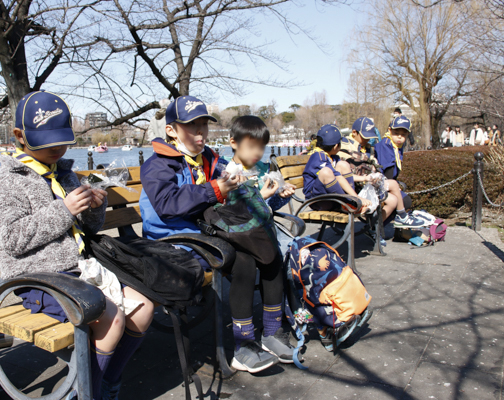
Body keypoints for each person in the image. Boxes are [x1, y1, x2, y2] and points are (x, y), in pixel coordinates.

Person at [0, 90, 154, 400]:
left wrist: (94, 206)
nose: (57, 148)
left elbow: (88, 229)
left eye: (62, 140)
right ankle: (88, 393)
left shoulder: (66, 174)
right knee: (110, 317)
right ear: (20, 136)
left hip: (81, 270)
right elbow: (10, 242)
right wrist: (64, 210)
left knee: (143, 308)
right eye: (47, 142)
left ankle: (104, 386)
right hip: (37, 278)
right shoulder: (6, 182)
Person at [139, 96, 296, 374]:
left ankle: (272, 332)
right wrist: (215, 189)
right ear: (172, 130)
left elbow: (235, 182)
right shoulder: (158, 164)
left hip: (207, 231)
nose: (201, 133)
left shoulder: (209, 158)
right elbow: (167, 204)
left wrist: (265, 191)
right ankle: (243, 346)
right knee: (243, 260)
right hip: (174, 239)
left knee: (268, 251)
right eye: (192, 126)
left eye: (204, 126)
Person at [224, 115, 297, 211]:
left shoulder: (262, 171)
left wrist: (280, 196)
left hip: (263, 223)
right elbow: (228, 211)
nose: (258, 152)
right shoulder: (223, 170)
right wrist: (260, 197)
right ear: (234, 143)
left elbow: (270, 206)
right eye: (251, 146)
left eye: (262, 147)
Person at [302, 124, 372, 211]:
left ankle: (349, 203)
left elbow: (342, 176)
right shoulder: (318, 157)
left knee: (343, 164)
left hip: (331, 197)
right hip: (317, 200)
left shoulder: (333, 157)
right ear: (336, 146)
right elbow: (338, 177)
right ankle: (349, 203)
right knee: (326, 172)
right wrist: (356, 197)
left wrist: (365, 178)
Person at [374, 116, 425, 228]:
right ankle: (375, 227)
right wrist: (395, 186)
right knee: (404, 201)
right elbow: (387, 171)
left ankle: (377, 227)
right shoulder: (386, 144)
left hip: (388, 181)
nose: (399, 137)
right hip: (378, 182)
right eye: (396, 133)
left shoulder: (397, 146)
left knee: (405, 199)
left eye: (403, 134)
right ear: (389, 130)